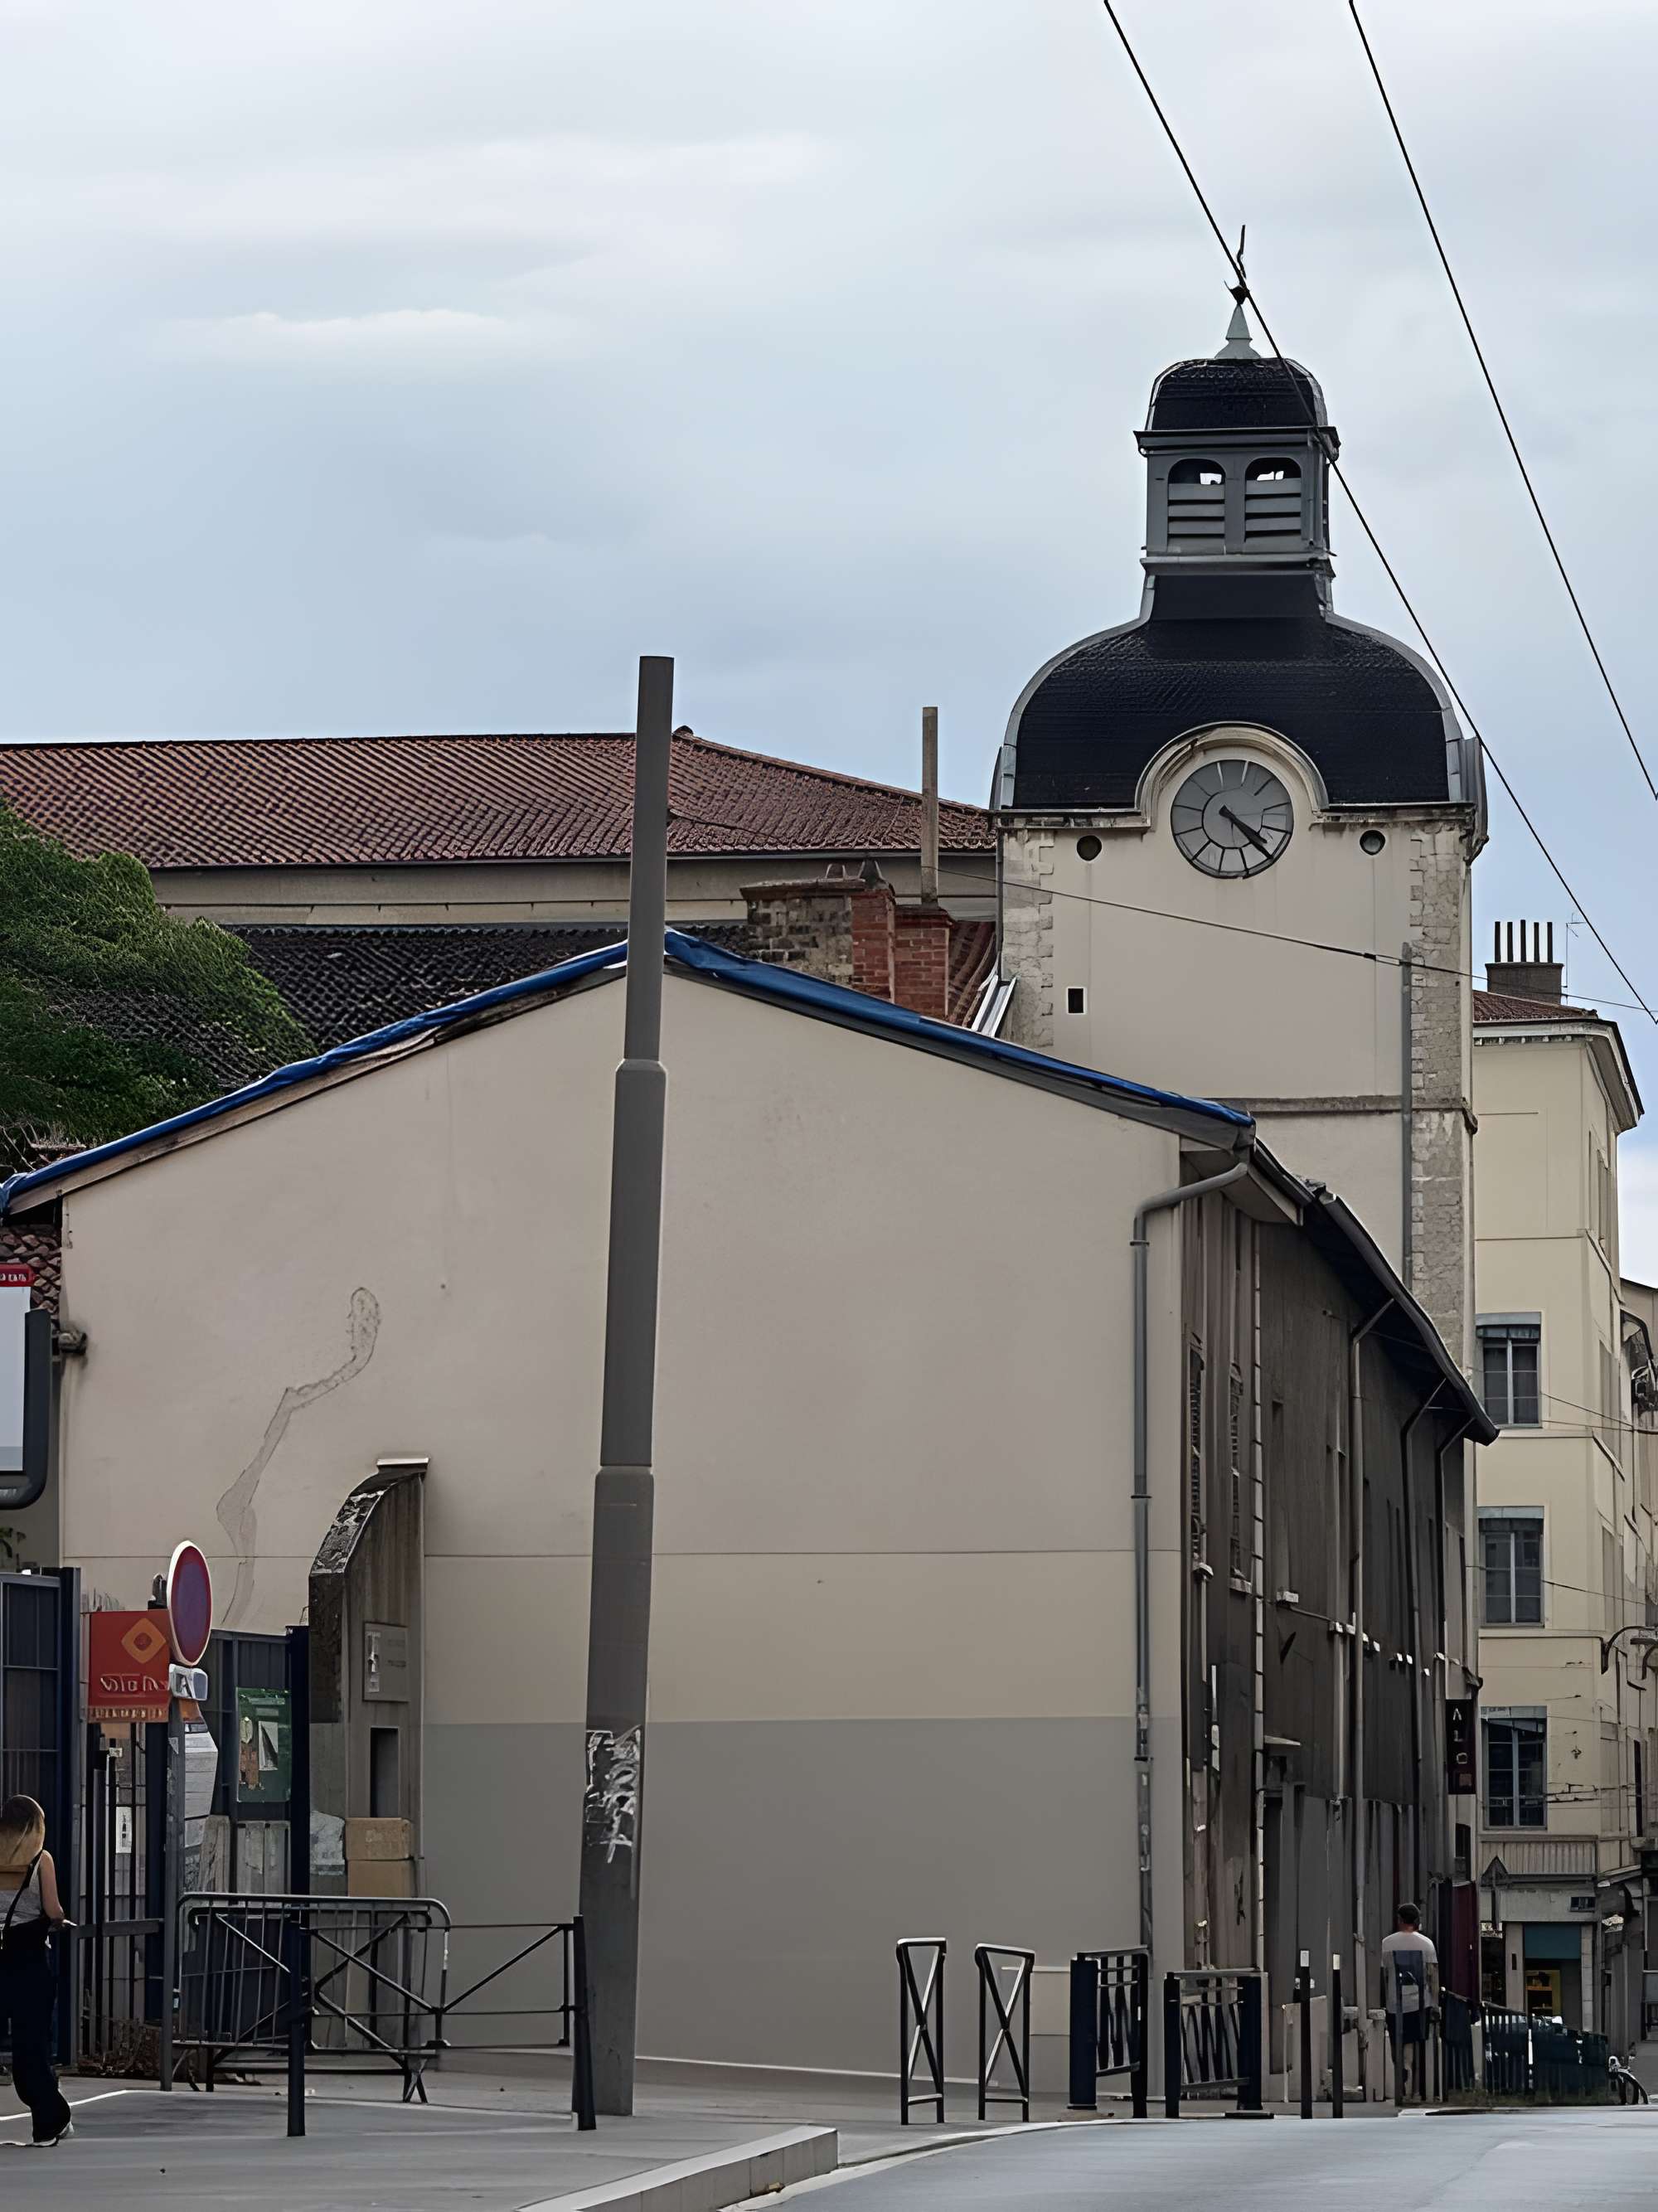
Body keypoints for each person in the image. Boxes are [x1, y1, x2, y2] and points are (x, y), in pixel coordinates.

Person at [0, 1795, 74, 2146]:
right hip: (29, 1960)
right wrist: (58, 1920)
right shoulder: (40, 1860)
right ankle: (49, 2122)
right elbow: (53, 1909)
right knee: (32, 2045)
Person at [1379, 1901, 1439, 2106]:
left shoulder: (1387, 1944)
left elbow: (1384, 1974)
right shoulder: (1427, 1945)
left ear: (1399, 1919)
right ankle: (1415, 2090)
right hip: (1420, 2003)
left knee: (1398, 2045)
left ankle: (1400, 2086)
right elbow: (1433, 1976)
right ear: (1417, 1920)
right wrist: (1435, 2003)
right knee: (1415, 2047)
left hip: (1395, 2003)